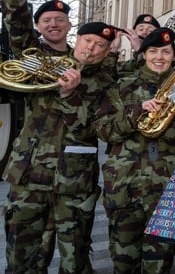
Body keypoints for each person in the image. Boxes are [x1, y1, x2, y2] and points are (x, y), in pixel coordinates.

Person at [2, 20, 117, 274]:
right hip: (29, 173)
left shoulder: (108, 84)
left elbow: (92, 130)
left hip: (74, 181)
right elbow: (19, 38)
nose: (92, 48)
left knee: (74, 257)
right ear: (78, 40)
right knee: (20, 252)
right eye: (88, 41)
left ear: (107, 52)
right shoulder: (49, 63)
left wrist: (70, 96)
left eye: (100, 45)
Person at [95, 27, 175, 274]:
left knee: (160, 264)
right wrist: (136, 110)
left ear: (173, 55)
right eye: (153, 51)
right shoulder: (122, 87)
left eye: (165, 51)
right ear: (143, 54)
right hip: (125, 187)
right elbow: (102, 129)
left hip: (167, 187)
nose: (159, 57)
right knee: (123, 262)